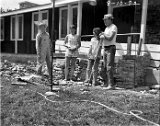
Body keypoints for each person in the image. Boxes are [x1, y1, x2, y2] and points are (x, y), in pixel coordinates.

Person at [100, 14, 118, 89]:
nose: (104, 21)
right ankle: (106, 83)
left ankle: (111, 84)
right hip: (105, 48)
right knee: (104, 66)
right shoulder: (106, 28)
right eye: (104, 20)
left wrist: (104, 35)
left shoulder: (113, 27)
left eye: (105, 19)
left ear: (110, 19)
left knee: (109, 66)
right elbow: (104, 38)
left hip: (111, 47)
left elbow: (110, 38)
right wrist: (101, 36)